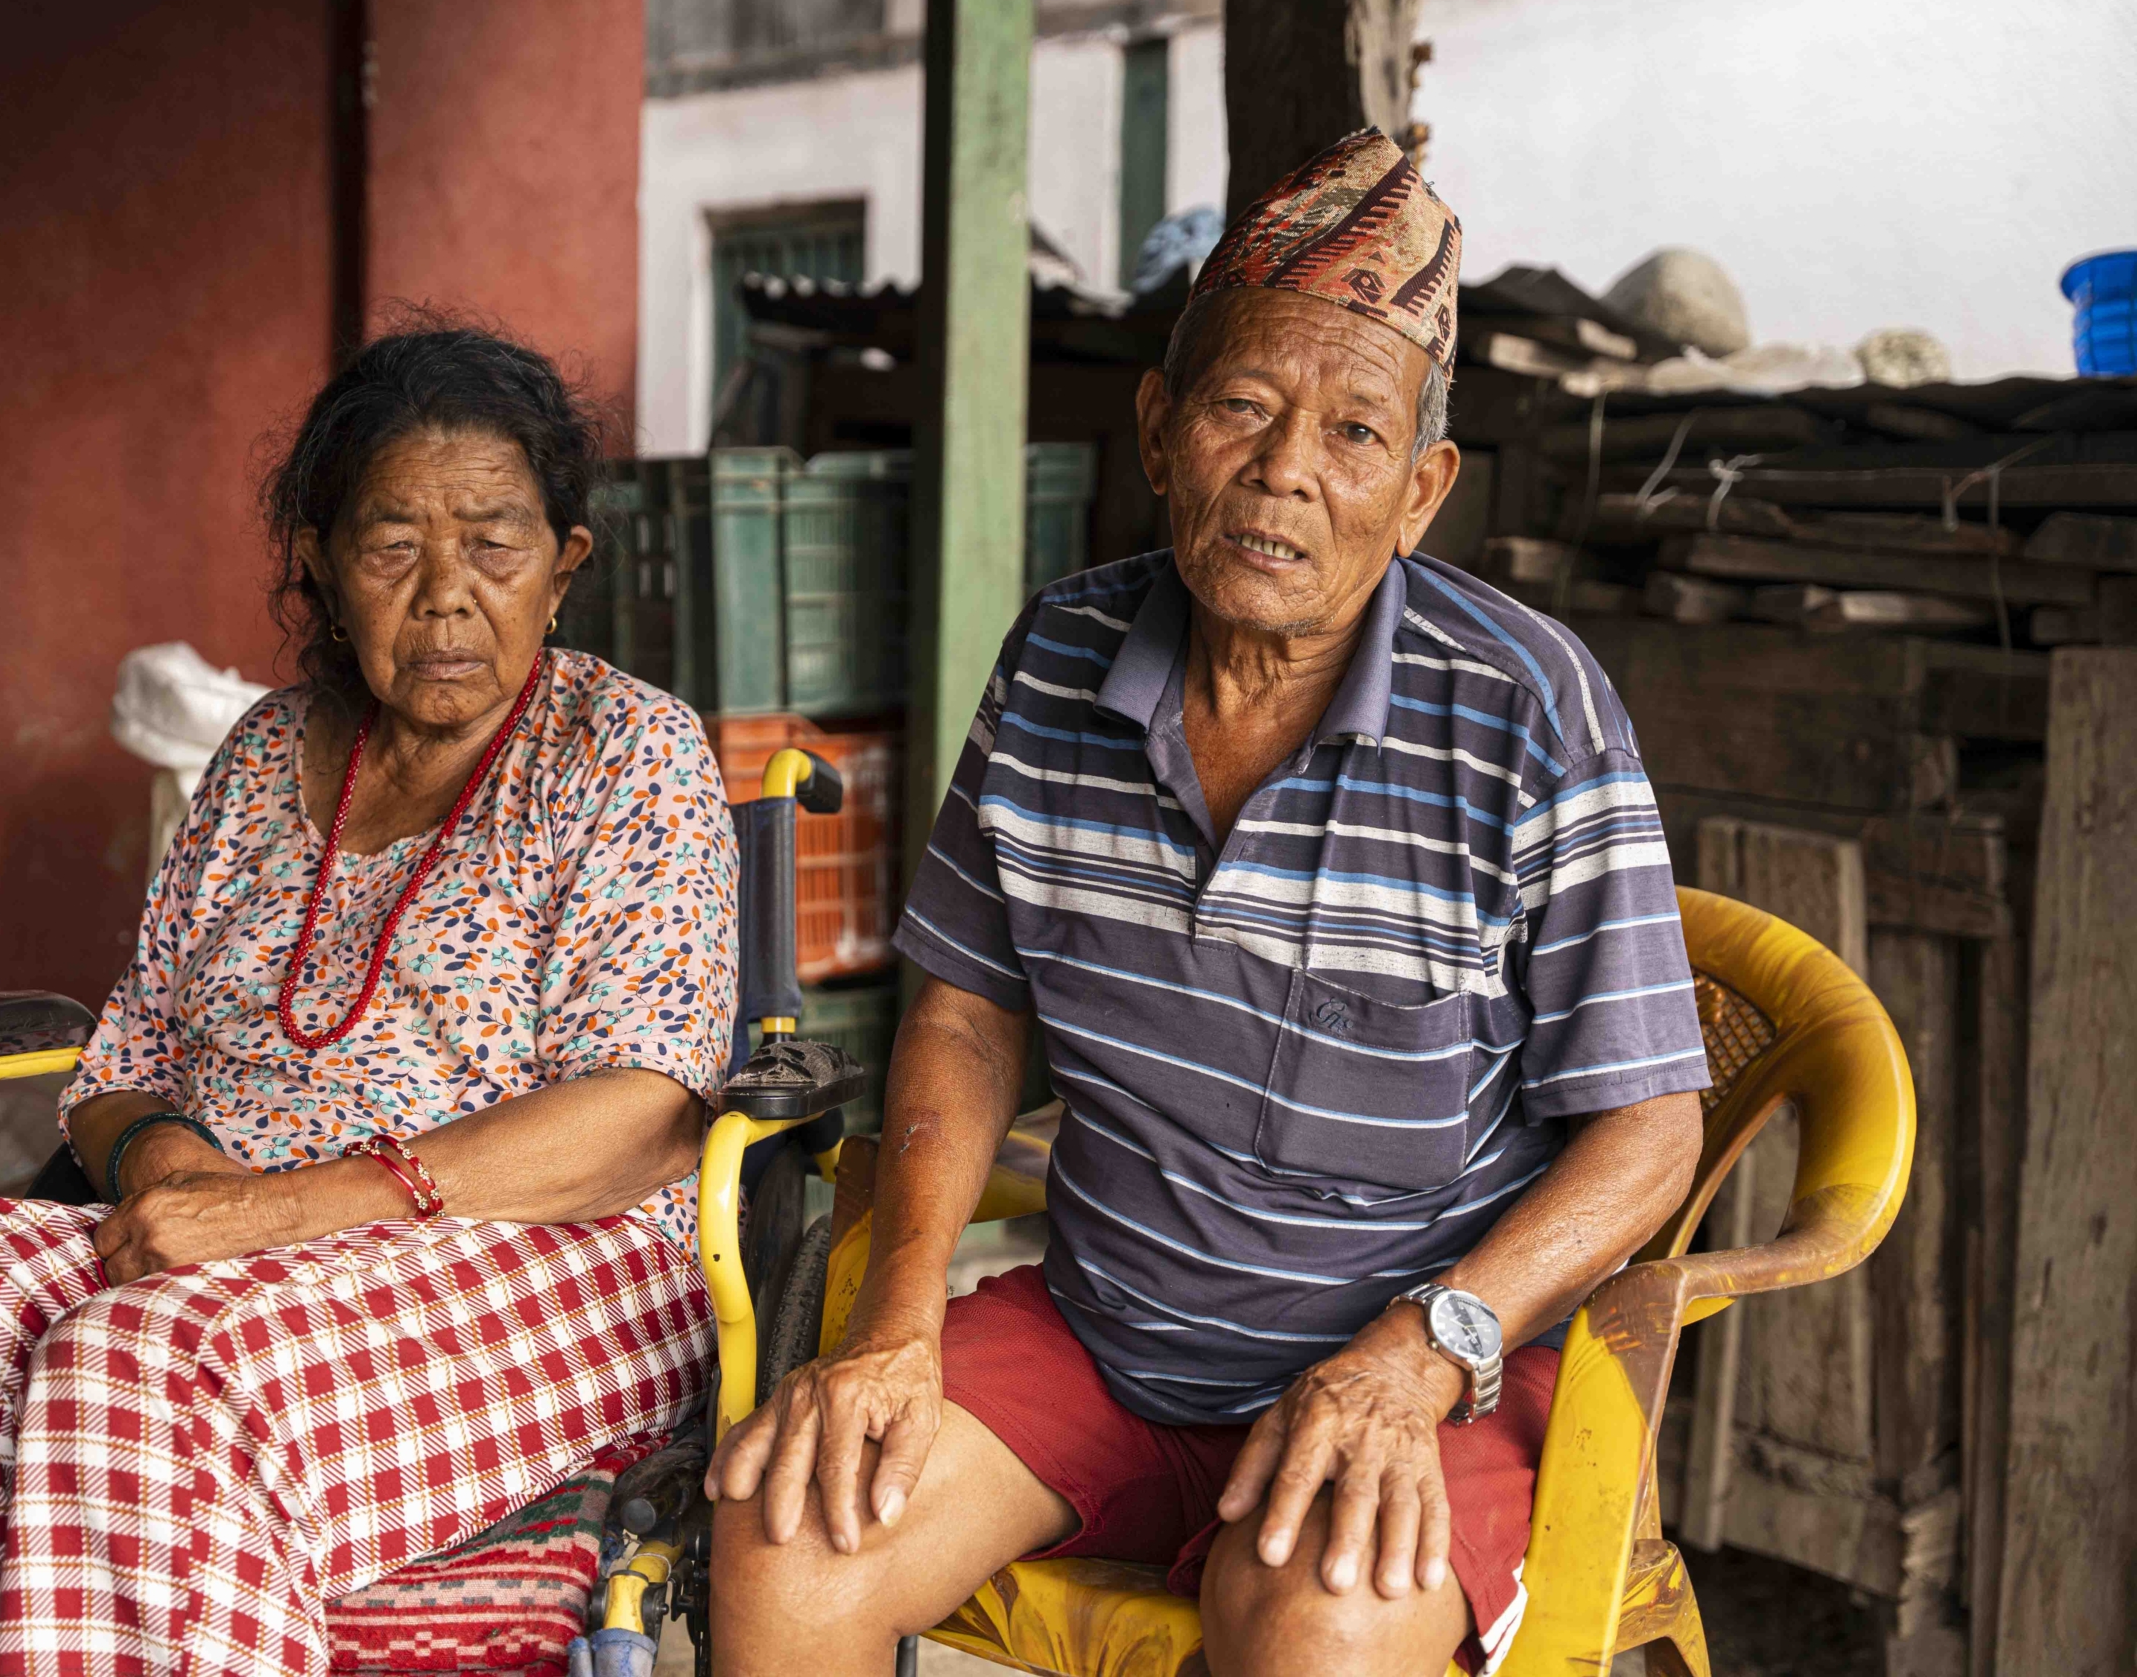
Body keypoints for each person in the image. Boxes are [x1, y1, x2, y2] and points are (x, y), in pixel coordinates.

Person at [708, 129, 1711, 1677]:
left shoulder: (1529, 713)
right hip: (1111, 1335)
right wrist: (899, 1316)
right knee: (792, 1542)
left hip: (1421, 1374)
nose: (1286, 472)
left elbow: (1649, 1129)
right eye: (1243, 406)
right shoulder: (1056, 663)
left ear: (1423, 487)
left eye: (1355, 434)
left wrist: (1421, 1353)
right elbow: (967, 1015)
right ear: (1162, 429)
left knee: (1313, 1626)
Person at [0, 324, 740, 1676]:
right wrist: (174, 1165)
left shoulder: (625, 752)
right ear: (319, 561)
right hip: (232, 1232)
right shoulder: (259, 758)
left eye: (495, 542)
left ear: (566, 564)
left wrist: (286, 1211)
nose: (446, 594)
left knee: (145, 1356)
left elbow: (641, 1116)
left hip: (542, 1253)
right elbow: (125, 1061)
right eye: (391, 543)